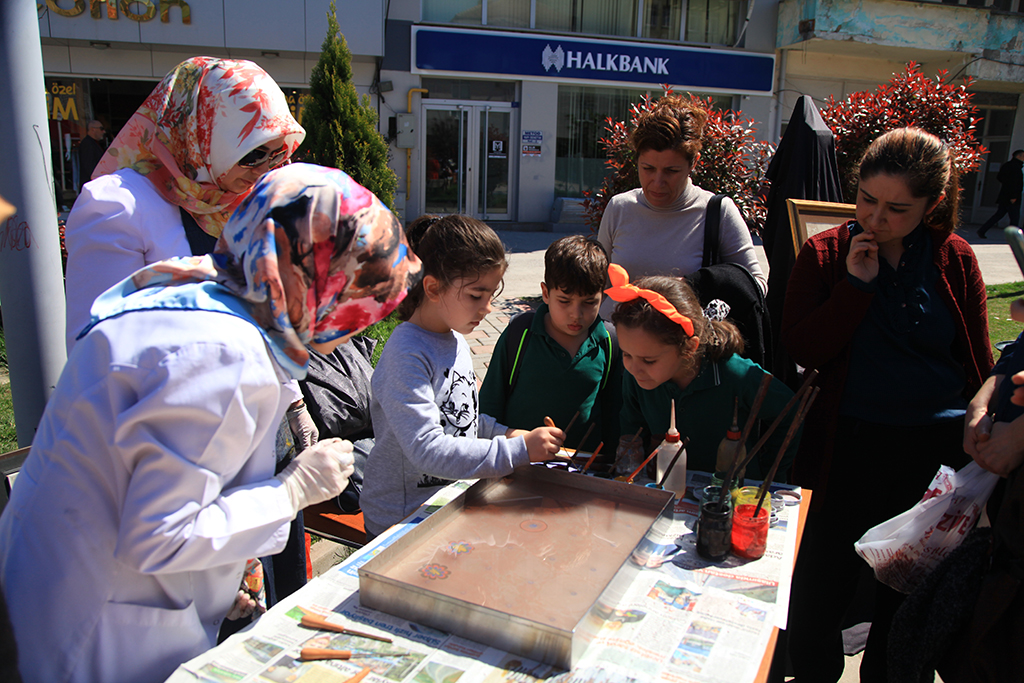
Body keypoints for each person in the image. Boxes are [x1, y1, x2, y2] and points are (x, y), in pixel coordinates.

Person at [0, 164, 420, 683]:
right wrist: (292, 491)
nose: (360, 329)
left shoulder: (199, 291)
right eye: (358, 306)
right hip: (90, 640)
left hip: (46, 591)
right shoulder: (225, 355)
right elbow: (158, 535)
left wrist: (214, 581)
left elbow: (163, 483)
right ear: (314, 281)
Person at [781, 127, 993, 682]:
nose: (876, 218)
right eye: (867, 200)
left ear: (932, 206)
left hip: (933, 462)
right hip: (846, 449)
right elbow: (802, 347)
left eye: (898, 209)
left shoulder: (955, 258)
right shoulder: (825, 252)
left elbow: (976, 358)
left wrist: (982, 417)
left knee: (906, 603)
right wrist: (855, 286)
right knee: (818, 596)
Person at [64, 55, 305, 352]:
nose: (264, 168)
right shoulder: (116, 207)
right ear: (200, 133)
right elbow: (97, 352)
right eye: (252, 152)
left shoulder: (246, 200)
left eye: (278, 152)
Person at [360, 215, 567, 539]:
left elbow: (460, 418)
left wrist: (508, 433)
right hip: (400, 523)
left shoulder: (453, 339)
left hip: (446, 505)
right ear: (432, 287)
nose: (486, 308)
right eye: (475, 295)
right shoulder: (406, 354)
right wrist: (518, 451)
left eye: (491, 294)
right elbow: (427, 449)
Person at [608, 265, 799, 479]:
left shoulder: (734, 374)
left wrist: (770, 471)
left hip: (728, 493)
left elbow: (790, 411)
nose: (634, 367)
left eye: (649, 360)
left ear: (689, 347)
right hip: (664, 487)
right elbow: (631, 426)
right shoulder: (638, 374)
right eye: (626, 354)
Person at [597, 95, 766, 319]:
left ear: (692, 164)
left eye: (671, 171)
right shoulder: (620, 207)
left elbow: (756, 286)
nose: (657, 182)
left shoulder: (718, 212)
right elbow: (597, 283)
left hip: (684, 348)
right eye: (647, 168)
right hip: (615, 344)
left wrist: (691, 285)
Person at [479, 234, 621, 454]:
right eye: (564, 301)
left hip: (586, 467)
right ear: (545, 293)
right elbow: (490, 404)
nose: (576, 314)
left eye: (589, 302)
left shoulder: (610, 341)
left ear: (602, 297)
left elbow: (614, 412)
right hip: (521, 462)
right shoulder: (519, 333)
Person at [976, 149, 1024, 238]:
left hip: (1004, 195)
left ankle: (982, 230)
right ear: (1018, 156)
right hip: (1012, 197)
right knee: (1014, 218)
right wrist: (1013, 196)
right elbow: (1014, 183)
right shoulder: (1015, 167)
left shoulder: (1008, 165)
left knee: (999, 215)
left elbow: (1000, 178)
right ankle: (1014, 237)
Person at [76, 119, 106, 191]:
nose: (103, 132)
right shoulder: (87, 144)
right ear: (93, 129)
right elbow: (89, 166)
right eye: (101, 129)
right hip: (91, 185)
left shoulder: (94, 143)